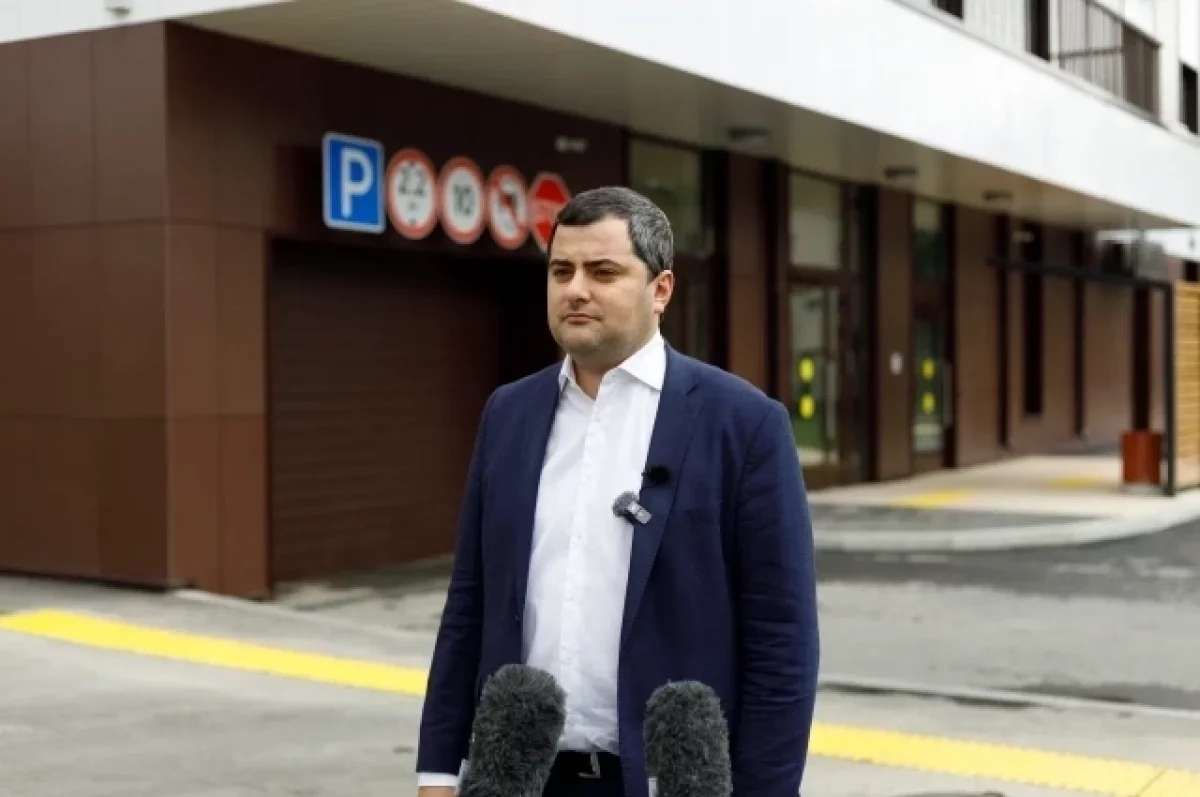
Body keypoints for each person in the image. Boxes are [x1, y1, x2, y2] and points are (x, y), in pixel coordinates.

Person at [415, 186, 819, 797]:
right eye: (561, 271)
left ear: (661, 290)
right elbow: (468, 606)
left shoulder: (743, 424)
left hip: (665, 781)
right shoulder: (509, 413)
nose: (576, 289)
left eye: (603, 272)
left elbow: (782, 640)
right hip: (519, 779)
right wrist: (439, 770)